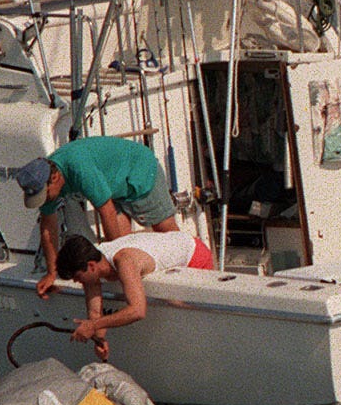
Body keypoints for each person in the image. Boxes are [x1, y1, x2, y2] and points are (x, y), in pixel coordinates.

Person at [18, 136, 180, 298]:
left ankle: (191, 276)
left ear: (54, 178)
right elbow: (48, 228)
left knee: (167, 233)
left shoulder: (79, 168)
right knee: (125, 251)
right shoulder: (45, 183)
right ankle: (133, 290)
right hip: (113, 185)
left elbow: (107, 211)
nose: (44, 200)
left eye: (44, 195)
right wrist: (51, 273)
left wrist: (111, 258)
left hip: (140, 170)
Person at [55, 229, 213, 361]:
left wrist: (93, 326)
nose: (76, 282)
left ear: (91, 266)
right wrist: (99, 340)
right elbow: (95, 313)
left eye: (77, 277)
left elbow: (138, 310)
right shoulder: (92, 265)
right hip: (167, 244)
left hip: (193, 254)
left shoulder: (124, 261)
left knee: (202, 332)